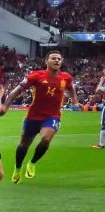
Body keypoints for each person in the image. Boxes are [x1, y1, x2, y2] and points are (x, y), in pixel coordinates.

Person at [0, 50, 81, 183]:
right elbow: (17, 90)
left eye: (59, 59)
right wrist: (6, 106)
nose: (56, 60)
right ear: (46, 62)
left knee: (45, 139)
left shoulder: (66, 77)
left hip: (52, 116)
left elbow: (71, 88)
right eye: (53, 58)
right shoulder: (36, 76)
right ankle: (18, 168)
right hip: (33, 116)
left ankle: (32, 163)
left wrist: (76, 101)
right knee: (23, 145)